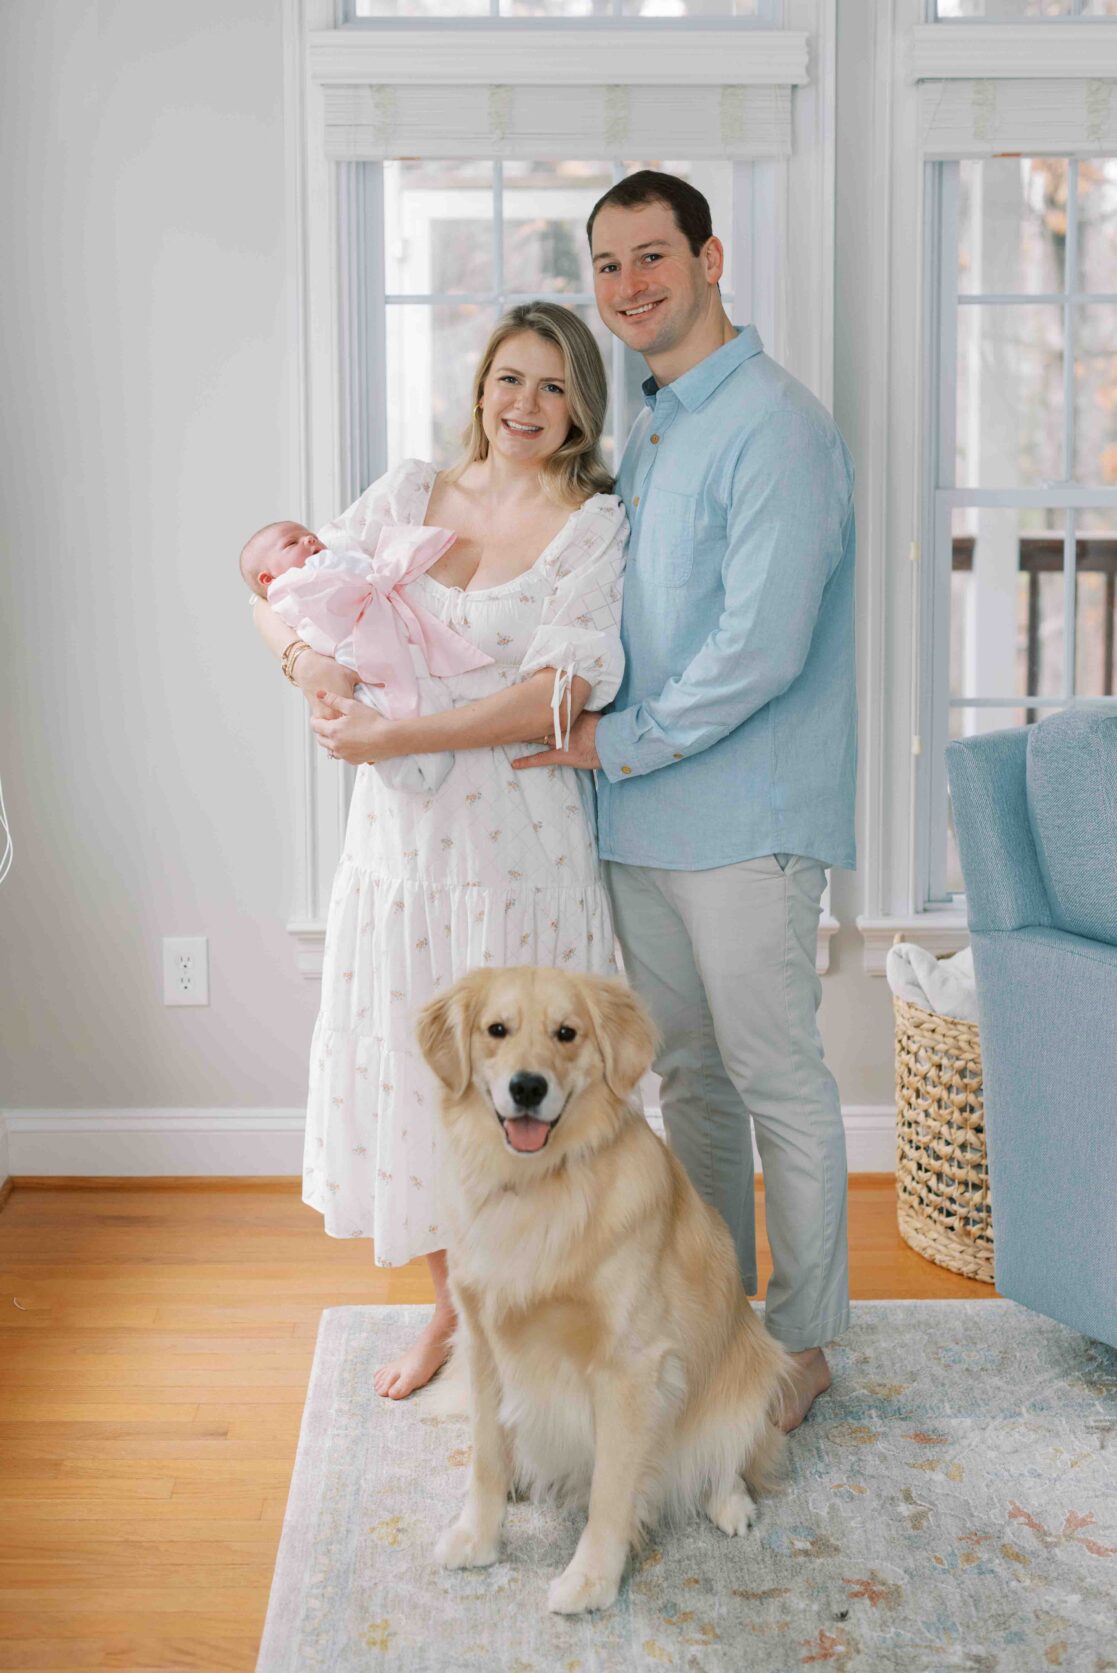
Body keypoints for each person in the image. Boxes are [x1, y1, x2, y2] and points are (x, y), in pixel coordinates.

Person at [514, 171, 857, 1433]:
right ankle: (721, 1323)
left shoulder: (773, 424)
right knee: (694, 1086)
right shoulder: (651, 427)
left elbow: (761, 650)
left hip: (744, 819)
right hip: (641, 821)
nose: (628, 286)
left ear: (710, 258)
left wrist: (622, 743)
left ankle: (805, 1342)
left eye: (650, 256)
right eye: (606, 267)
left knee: (776, 1081)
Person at [252, 302, 628, 1399]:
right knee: (421, 1084)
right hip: (402, 856)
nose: (525, 405)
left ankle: (542, 1317)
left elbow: (556, 695)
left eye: (553, 387)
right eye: (510, 379)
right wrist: (306, 671)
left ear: (580, 411)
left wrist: (398, 731)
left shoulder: (592, 525)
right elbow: (281, 594)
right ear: (479, 388)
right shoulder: (410, 494)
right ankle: (449, 1310)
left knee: (533, 1093)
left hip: (519, 854)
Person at [240, 517, 494, 794]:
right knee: (397, 708)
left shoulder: (304, 577)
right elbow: (357, 571)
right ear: (268, 578)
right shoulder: (303, 578)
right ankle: (417, 771)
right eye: (292, 543)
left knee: (412, 705)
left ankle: (419, 771)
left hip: (371, 657)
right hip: (357, 660)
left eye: (309, 535)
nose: (310, 540)